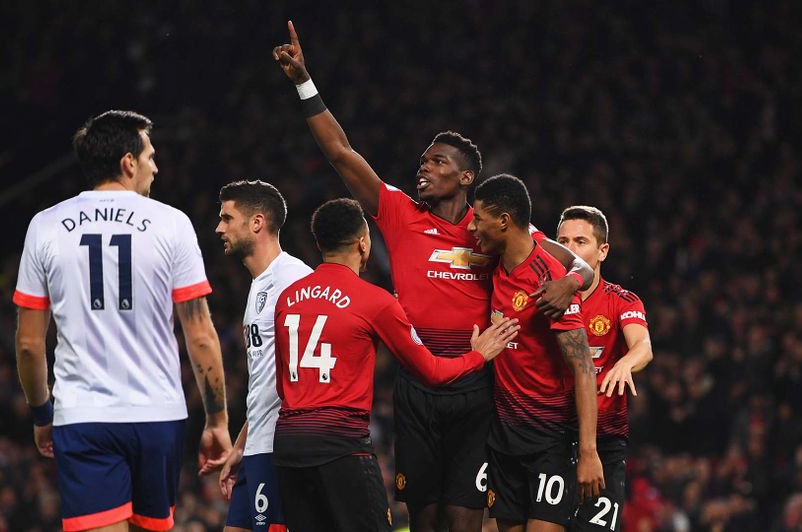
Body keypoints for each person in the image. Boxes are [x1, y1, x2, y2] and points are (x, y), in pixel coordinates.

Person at [272, 21, 595, 531]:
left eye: (437, 162)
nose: (423, 169)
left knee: (463, 522)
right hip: (417, 385)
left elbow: (580, 265)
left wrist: (568, 283)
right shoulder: (399, 213)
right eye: (423, 161)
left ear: (466, 177)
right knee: (423, 523)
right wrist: (304, 83)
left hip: (475, 387)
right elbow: (341, 153)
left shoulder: (493, 225)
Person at [12, 110, 231, 532]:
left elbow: (28, 344)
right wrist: (217, 420)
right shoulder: (173, 224)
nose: (156, 165)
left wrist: (42, 414)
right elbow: (200, 335)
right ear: (128, 162)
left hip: (84, 417)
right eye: (150, 155)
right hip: (158, 416)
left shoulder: (45, 227)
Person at [272, 198, 520, 532]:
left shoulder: (288, 298)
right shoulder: (374, 300)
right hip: (341, 443)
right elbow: (431, 371)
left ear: (319, 244)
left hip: (288, 443)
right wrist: (477, 356)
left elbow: (281, 384)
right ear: (363, 242)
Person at [468, 175, 604, 532]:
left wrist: (588, 452)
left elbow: (584, 368)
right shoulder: (496, 267)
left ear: (503, 221)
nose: (471, 226)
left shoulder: (549, 281)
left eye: (478, 218)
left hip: (547, 440)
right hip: (503, 438)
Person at [214, 180, 313, 532]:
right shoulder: (259, 284)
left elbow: (303, 378)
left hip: (279, 448)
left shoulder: (295, 281)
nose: (219, 228)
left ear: (257, 222)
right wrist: (242, 444)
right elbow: (265, 381)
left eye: (227, 218)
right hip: (257, 445)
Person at [555, 206, 653, 532]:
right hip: (548, 438)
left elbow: (643, 346)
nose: (570, 249)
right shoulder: (544, 299)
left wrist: (626, 361)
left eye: (580, 241)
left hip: (604, 444)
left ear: (602, 250)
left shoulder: (621, 301)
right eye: (563, 240)